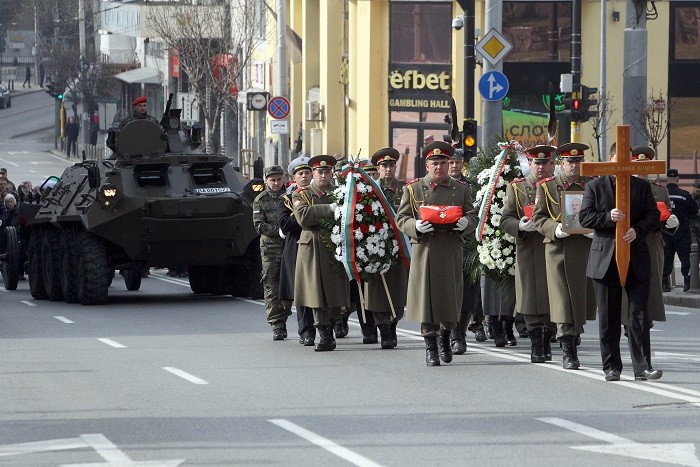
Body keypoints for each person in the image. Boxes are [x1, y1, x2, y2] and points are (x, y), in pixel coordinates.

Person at [578, 144, 662, 382]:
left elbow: (653, 215)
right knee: (608, 316)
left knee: (638, 316)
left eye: (628, 158)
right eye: (619, 158)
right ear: (610, 159)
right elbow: (584, 216)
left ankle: (642, 366)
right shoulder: (595, 186)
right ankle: (611, 366)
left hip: (636, 257)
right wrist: (608, 217)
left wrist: (638, 229)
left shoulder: (642, 186)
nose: (624, 162)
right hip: (605, 257)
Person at [396, 141, 478, 366]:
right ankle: (430, 345)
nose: (440, 167)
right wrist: (415, 226)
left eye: (444, 162)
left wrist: (466, 223)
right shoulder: (413, 189)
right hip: (425, 250)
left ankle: (445, 337)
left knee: (449, 298)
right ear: (427, 164)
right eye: (435, 163)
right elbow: (401, 218)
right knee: (426, 299)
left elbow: (473, 215)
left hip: (451, 250)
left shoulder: (460, 189)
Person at [532, 142, 597, 370]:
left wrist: (595, 229)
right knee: (561, 300)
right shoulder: (548, 187)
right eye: (570, 161)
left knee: (579, 300)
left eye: (578, 161)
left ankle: (574, 334)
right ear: (561, 163)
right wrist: (554, 229)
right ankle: (568, 350)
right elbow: (538, 218)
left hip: (584, 249)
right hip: (558, 250)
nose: (574, 166)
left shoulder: (593, 185)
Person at [621, 145, 677, 373]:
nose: (641, 172)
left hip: (652, 247)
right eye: (637, 166)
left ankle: (644, 356)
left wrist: (671, 224)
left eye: (645, 167)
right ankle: (634, 353)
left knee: (648, 302)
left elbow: (664, 218)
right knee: (630, 304)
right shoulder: (622, 188)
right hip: (626, 245)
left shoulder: (659, 190)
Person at [500, 145, 557, 362]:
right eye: (536, 163)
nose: (540, 167)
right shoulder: (517, 188)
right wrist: (520, 226)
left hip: (553, 245)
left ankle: (548, 338)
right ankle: (536, 345)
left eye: (545, 163)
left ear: (551, 164)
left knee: (554, 296)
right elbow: (505, 219)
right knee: (532, 297)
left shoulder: (557, 187)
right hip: (530, 248)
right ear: (529, 163)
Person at [293, 154, 350, 351]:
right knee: (315, 291)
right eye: (319, 171)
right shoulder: (302, 194)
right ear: (313, 173)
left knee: (335, 291)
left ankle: (334, 324)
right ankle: (324, 334)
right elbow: (303, 217)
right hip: (313, 247)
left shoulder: (340, 192)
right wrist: (330, 209)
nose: (323, 175)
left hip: (334, 245)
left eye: (327, 171)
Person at [362, 147, 409, 349]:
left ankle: (394, 324)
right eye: (384, 166)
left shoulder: (406, 190)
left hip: (399, 246)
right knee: (377, 290)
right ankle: (383, 329)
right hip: (376, 247)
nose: (388, 170)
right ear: (378, 169)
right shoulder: (371, 191)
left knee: (398, 289)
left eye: (391, 165)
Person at [447, 148, 487, 353]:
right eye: (451, 162)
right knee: (450, 292)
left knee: (468, 295)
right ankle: (453, 336)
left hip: (469, 245)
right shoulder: (439, 187)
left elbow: (477, 213)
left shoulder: (472, 186)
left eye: (457, 162)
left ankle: (460, 334)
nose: (454, 166)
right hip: (446, 245)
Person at [278, 156, 316, 346]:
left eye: (307, 173)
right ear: (294, 177)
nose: (304, 177)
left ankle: (327, 327)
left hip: (320, 246)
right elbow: (284, 223)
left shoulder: (320, 195)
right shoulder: (286, 199)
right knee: (302, 289)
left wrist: (306, 217)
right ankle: (306, 331)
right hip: (297, 246)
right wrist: (309, 217)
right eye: (300, 174)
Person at [253, 165, 292, 340]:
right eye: (272, 180)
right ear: (266, 181)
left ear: (283, 179)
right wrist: (279, 231)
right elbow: (258, 225)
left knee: (291, 283)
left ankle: (292, 317)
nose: (276, 183)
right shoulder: (260, 200)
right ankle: (277, 324)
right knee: (271, 284)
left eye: (278, 179)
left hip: (290, 245)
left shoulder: (291, 196)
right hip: (270, 248)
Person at [662, 168, 699, 292]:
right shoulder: (683, 194)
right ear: (678, 179)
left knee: (667, 257)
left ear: (667, 179)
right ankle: (687, 284)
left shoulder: (661, 194)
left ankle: (664, 284)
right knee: (684, 257)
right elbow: (694, 210)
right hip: (681, 231)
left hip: (665, 230)